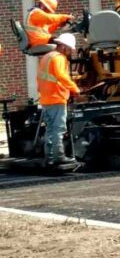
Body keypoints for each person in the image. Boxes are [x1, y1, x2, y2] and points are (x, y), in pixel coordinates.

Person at [37, 33, 80, 167]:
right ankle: (59, 156)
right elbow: (61, 76)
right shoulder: (59, 58)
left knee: (50, 129)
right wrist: (75, 89)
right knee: (59, 129)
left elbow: (40, 79)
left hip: (46, 99)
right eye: (69, 49)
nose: (69, 52)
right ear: (63, 47)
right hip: (57, 98)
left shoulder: (46, 57)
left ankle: (49, 157)